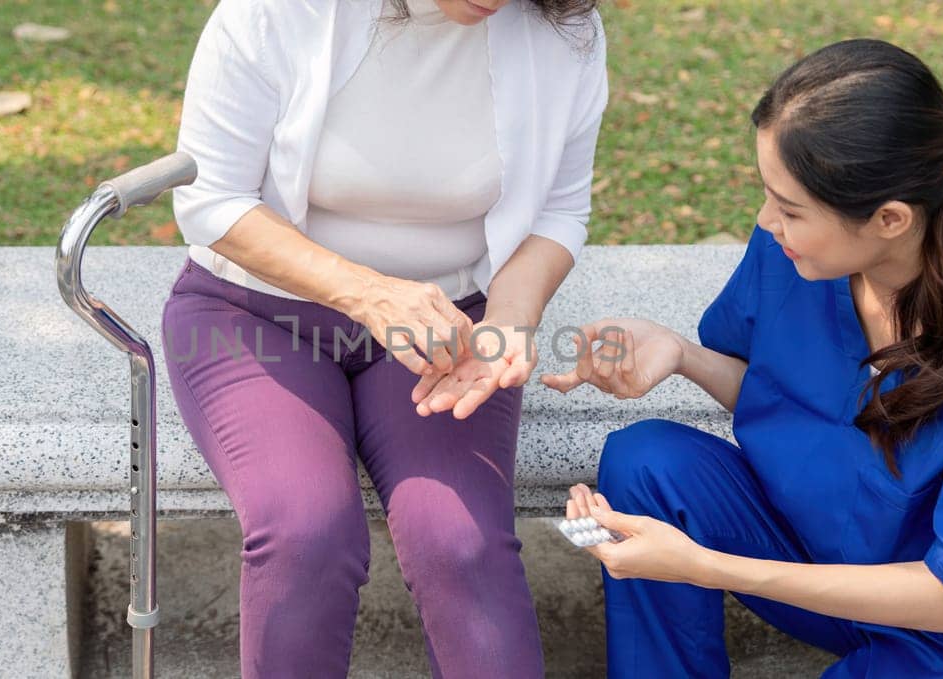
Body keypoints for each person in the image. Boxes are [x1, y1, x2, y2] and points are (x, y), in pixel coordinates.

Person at [546, 39, 943, 678]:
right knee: (647, 461)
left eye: (789, 208)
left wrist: (705, 568)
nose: (767, 223)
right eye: (768, 195)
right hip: (826, 561)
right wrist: (680, 354)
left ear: (890, 219)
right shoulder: (804, 255)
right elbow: (797, 406)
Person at [161, 0, 608, 676]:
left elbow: (560, 210)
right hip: (255, 313)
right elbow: (210, 200)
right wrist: (367, 292)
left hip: (446, 329)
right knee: (305, 531)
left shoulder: (562, 24)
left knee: (461, 542)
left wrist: (508, 321)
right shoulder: (275, 12)